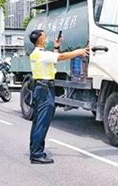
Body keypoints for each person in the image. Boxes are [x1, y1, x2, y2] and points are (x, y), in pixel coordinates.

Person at [28, 30, 89, 164]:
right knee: (42, 122)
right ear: (40, 39)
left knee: (38, 121)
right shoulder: (41, 54)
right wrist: (79, 52)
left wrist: (56, 46)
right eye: (44, 36)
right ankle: (37, 154)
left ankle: (34, 150)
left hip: (41, 87)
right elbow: (60, 57)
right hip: (44, 89)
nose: (47, 38)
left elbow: (54, 59)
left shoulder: (37, 53)